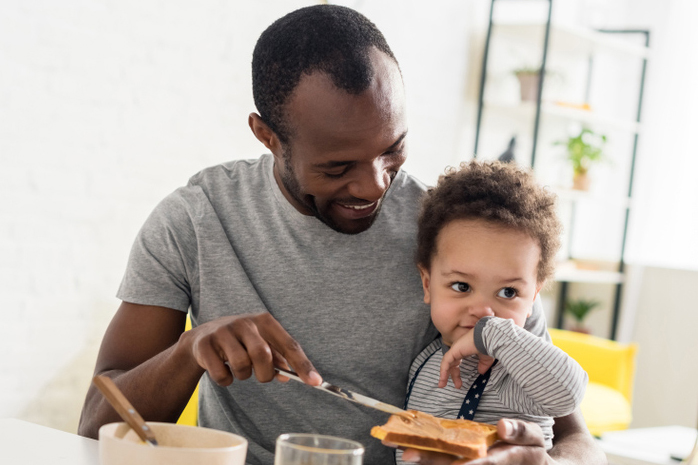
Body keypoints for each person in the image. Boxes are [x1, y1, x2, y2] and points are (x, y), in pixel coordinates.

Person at [78, 5, 605, 465]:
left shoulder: (459, 236)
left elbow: (581, 440)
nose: (375, 184)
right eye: (336, 166)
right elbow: (95, 423)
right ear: (267, 136)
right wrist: (188, 349)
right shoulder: (195, 222)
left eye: (393, 148)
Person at [392, 161, 587, 464]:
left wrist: (495, 333)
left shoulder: (515, 369)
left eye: (508, 292)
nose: (483, 311)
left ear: (534, 296)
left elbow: (569, 394)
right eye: (461, 286)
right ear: (427, 283)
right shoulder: (426, 359)